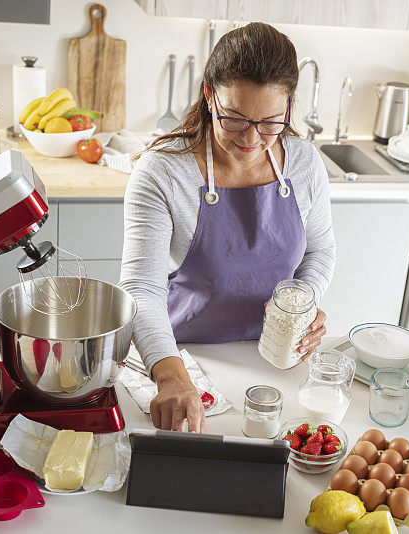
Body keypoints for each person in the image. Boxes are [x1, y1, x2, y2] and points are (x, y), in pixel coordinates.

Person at [119, 22, 336, 434]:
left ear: (289, 106)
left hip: (274, 363)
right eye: (234, 119)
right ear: (208, 95)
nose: (252, 138)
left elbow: (320, 252)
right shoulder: (163, 172)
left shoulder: (305, 163)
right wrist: (169, 373)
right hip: (182, 358)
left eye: (271, 122)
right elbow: (140, 288)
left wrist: (300, 304)